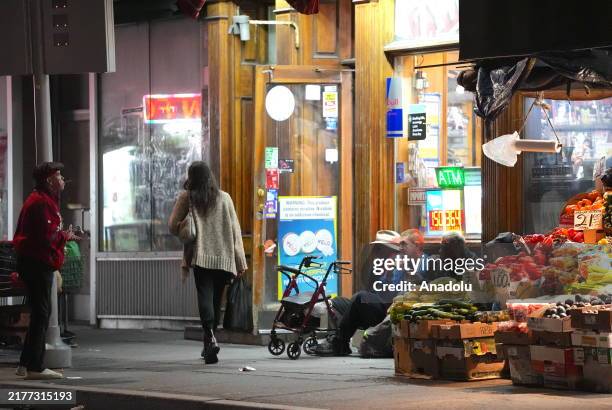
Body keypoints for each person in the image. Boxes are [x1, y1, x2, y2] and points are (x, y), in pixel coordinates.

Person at [169, 161, 247, 364]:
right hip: (224, 257)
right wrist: (240, 261)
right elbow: (235, 231)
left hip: (201, 256)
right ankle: (209, 341)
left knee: (205, 295)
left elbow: (171, 226)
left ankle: (210, 338)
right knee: (215, 300)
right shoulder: (225, 198)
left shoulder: (188, 198)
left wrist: (183, 225)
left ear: (191, 177)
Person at [13, 162, 80, 380]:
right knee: (42, 313)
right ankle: (35, 367)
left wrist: (62, 236)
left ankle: (25, 363)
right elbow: (46, 237)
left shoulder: (43, 201)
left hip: (35, 262)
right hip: (36, 263)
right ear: (50, 181)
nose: (63, 180)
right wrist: (64, 237)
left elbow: (48, 233)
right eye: (59, 176)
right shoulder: (41, 203)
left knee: (40, 313)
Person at [315, 229, 425, 356]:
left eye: (404, 244)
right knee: (338, 301)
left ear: (417, 245)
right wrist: (387, 274)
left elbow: (422, 286)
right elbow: (377, 289)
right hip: (382, 305)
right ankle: (338, 338)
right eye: (398, 245)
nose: (400, 248)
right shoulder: (392, 263)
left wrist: (408, 271)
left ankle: (340, 342)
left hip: (392, 312)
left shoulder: (425, 263)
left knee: (360, 297)